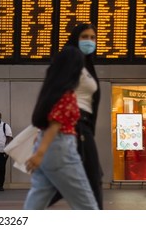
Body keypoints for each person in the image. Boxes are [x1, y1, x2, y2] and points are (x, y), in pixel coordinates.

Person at [23, 46, 98, 210]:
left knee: (38, 197)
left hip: (44, 146)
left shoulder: (50, 93)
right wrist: (39, 154)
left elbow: (46, 125)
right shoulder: (68, 95)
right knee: (87, 204)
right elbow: (55, 125)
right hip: (61, 149)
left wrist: (39, 153)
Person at [49, 23, 103, 209]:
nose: (89, 41)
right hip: (74, 126)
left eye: (92, 38)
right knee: (93, 178)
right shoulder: (68, 60)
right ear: (75, 39)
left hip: (84, 127)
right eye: (84, 37)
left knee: (81, 179)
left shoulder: (87, 66)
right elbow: (53, 93)